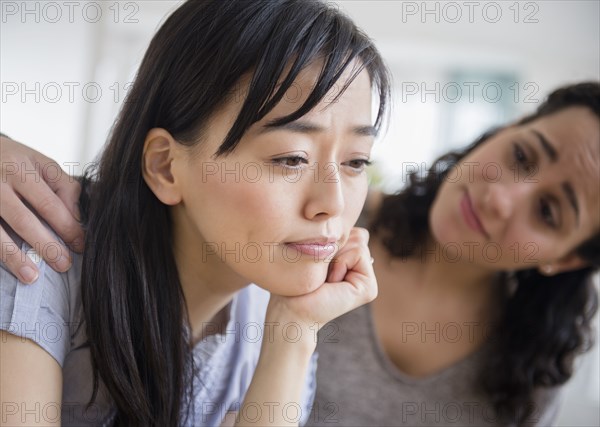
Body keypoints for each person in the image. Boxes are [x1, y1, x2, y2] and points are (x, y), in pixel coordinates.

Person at [0, 0, 390, 425]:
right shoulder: (35, 261)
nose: (332, 204)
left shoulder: (279, 316)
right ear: (166, 167)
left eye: (356, 162)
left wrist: (293, 332)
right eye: (292, 158)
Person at [307, 82, 600, 426]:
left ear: (566, 259)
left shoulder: (531, 377)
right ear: (507, 130)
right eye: (521, 156)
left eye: (547, 212)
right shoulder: (328, 218)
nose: (500, 199)